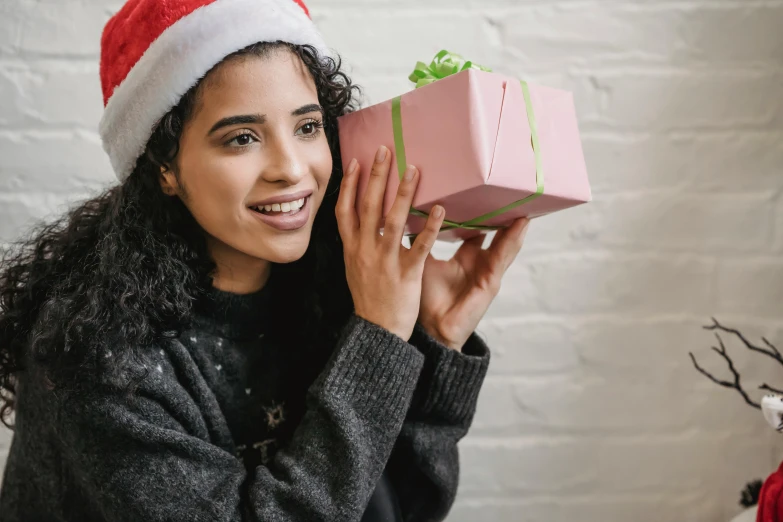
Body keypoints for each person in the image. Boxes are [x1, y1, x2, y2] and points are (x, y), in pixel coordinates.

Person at [0, 0, 530, 520]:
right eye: (242, 138)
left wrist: (434, 339)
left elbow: (406, 506)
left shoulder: (331, 287)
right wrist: (381, 335)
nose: (291, 168)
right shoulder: (99, 361)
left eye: (307, 127)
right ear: (164, 166)